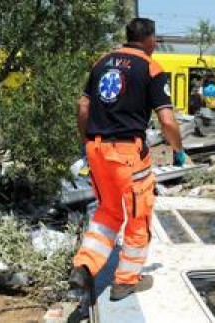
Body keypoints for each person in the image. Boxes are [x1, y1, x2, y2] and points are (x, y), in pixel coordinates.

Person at [70, 18, 186, 314]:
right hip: (128, 155)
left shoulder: (102, 61)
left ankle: (84, 265)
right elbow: (167, 121)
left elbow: (83, 107)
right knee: (139, 216)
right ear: (149, 40)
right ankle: (125, 281)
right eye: (155, 41)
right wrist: (178, 148)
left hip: (96, 150)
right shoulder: (151, 67)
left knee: (107, 211)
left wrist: (87, 142)